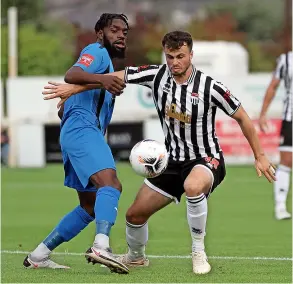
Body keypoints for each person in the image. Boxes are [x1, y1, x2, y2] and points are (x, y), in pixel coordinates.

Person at [43, 31, 276, 275]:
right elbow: (111, 78)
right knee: (134, 215)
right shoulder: (155, 75)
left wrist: (259, 155)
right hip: (171, 162)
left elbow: (241, 116)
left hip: (206, 158)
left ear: (191, 55)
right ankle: (136, 257)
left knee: (194, 187)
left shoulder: (210, 86)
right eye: (170, 57)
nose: (175, 62)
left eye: (180, 56)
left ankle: (198, 251)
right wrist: (74, 88)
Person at [23, 13, 129, 274]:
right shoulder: (97, 51)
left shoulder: (104, 67)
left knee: (90, 206)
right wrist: (103, 80)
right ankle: (101, 246)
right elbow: (73, 74)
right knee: (111, 184)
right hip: (82, 131)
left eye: (124, 32)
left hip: (74, 132)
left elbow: (69, 100)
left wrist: (74, 102)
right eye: (114, 30)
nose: (121, 35)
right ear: (100, 33)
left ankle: (39, 254)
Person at [259, 51, 292, 220]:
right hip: (290, 117)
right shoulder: (286, 60)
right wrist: (263, 113)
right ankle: (280, 206)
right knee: (286, 161)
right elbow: (273, 86)